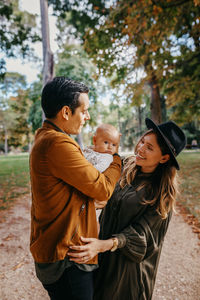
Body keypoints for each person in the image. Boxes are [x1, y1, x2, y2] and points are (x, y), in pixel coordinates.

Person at [68, 117, 186, 300]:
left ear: (164, 158)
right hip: (104, 255)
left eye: (149, 148)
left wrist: (103, 245)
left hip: (129, 271)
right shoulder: (126, 166)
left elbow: (142, 234)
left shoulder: (162, 195)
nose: (140, 148)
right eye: (142, 142)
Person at [29, 76, 122, 300]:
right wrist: (117, 159)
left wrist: (88, 199)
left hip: (63, 251)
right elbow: (102, 189)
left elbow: (78, 189)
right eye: (84, 111)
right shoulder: (58, 144)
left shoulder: (47, 137)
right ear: (66, 112)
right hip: (67, 257)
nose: (87, 117)